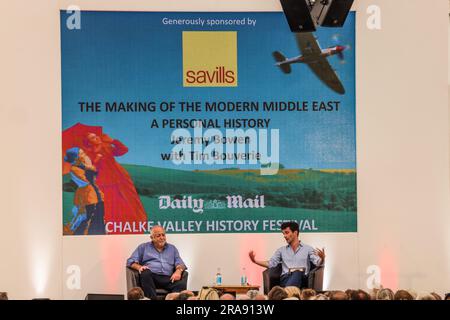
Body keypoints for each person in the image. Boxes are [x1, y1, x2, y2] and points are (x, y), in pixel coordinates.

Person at [83, 132, 147, 234]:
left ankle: (133, 223)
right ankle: (112, 228)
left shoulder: (106, 146)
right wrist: (97, 159)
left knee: (128, 199)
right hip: (105, 180)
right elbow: (90, 169)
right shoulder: (88, 154)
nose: (97, 138)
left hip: (120, 176)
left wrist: (113, 141)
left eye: (96, 136)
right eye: (93, 138)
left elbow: (124, 150)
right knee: (111, 204)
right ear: (89, 143)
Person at [248, 221, 325, 289]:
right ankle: (288, 293)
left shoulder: (308, 249)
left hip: (302, 278)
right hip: (286, 278)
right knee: (295, 275)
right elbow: (270, 264)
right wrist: (255, 261)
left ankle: (285, 294)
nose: (284, 236)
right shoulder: (281, 250)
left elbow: (318, 263)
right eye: (283, 233)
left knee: (297, 272)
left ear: (295, 233)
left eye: (287, 233)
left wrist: (322, 258)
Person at [126, 225, 187, 299]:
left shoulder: (172, 249)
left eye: (163, 235)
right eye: (158, 236)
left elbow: (180, 263)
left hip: (168, 278)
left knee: (181, 284)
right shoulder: (143, 247)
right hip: (151, 277)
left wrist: (178, 271)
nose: (162, 237)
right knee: (145, 272)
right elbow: (130, 261)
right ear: (152, 238)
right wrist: (139, 267)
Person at [63, 147, 105, 235]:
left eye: (84, 153)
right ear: (76, 158)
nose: (85, 155)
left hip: (95, 195)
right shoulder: (74, 169)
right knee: (85, 217)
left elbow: (94, 175)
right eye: (82, 154)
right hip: (87, 197)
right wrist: (89, 167)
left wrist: (89, 166)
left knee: (98, 216)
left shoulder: (83, 167)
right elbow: (86, 181)